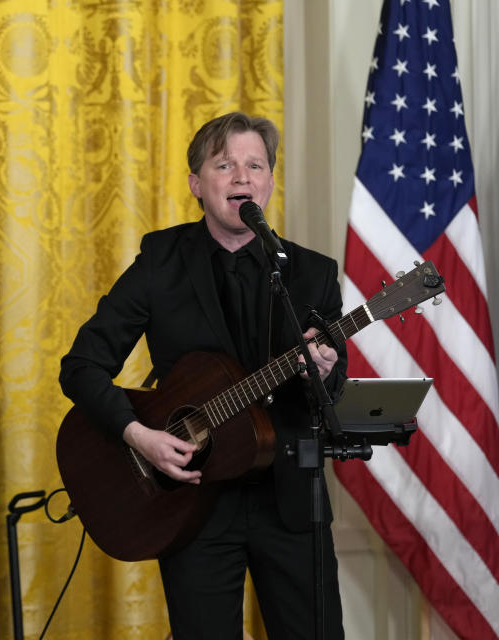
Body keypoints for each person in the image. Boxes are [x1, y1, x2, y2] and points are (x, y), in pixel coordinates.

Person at [59, 112, 346, 639]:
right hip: (190, 504)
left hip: (290, 501)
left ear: (269, 181)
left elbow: (333, 389)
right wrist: (138, 435)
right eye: (224, 164)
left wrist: (320, 373)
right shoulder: (160, 260)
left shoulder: (312, 274)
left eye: (254, 164)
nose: (241, 176)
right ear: (197, 183)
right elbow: (80, 367)